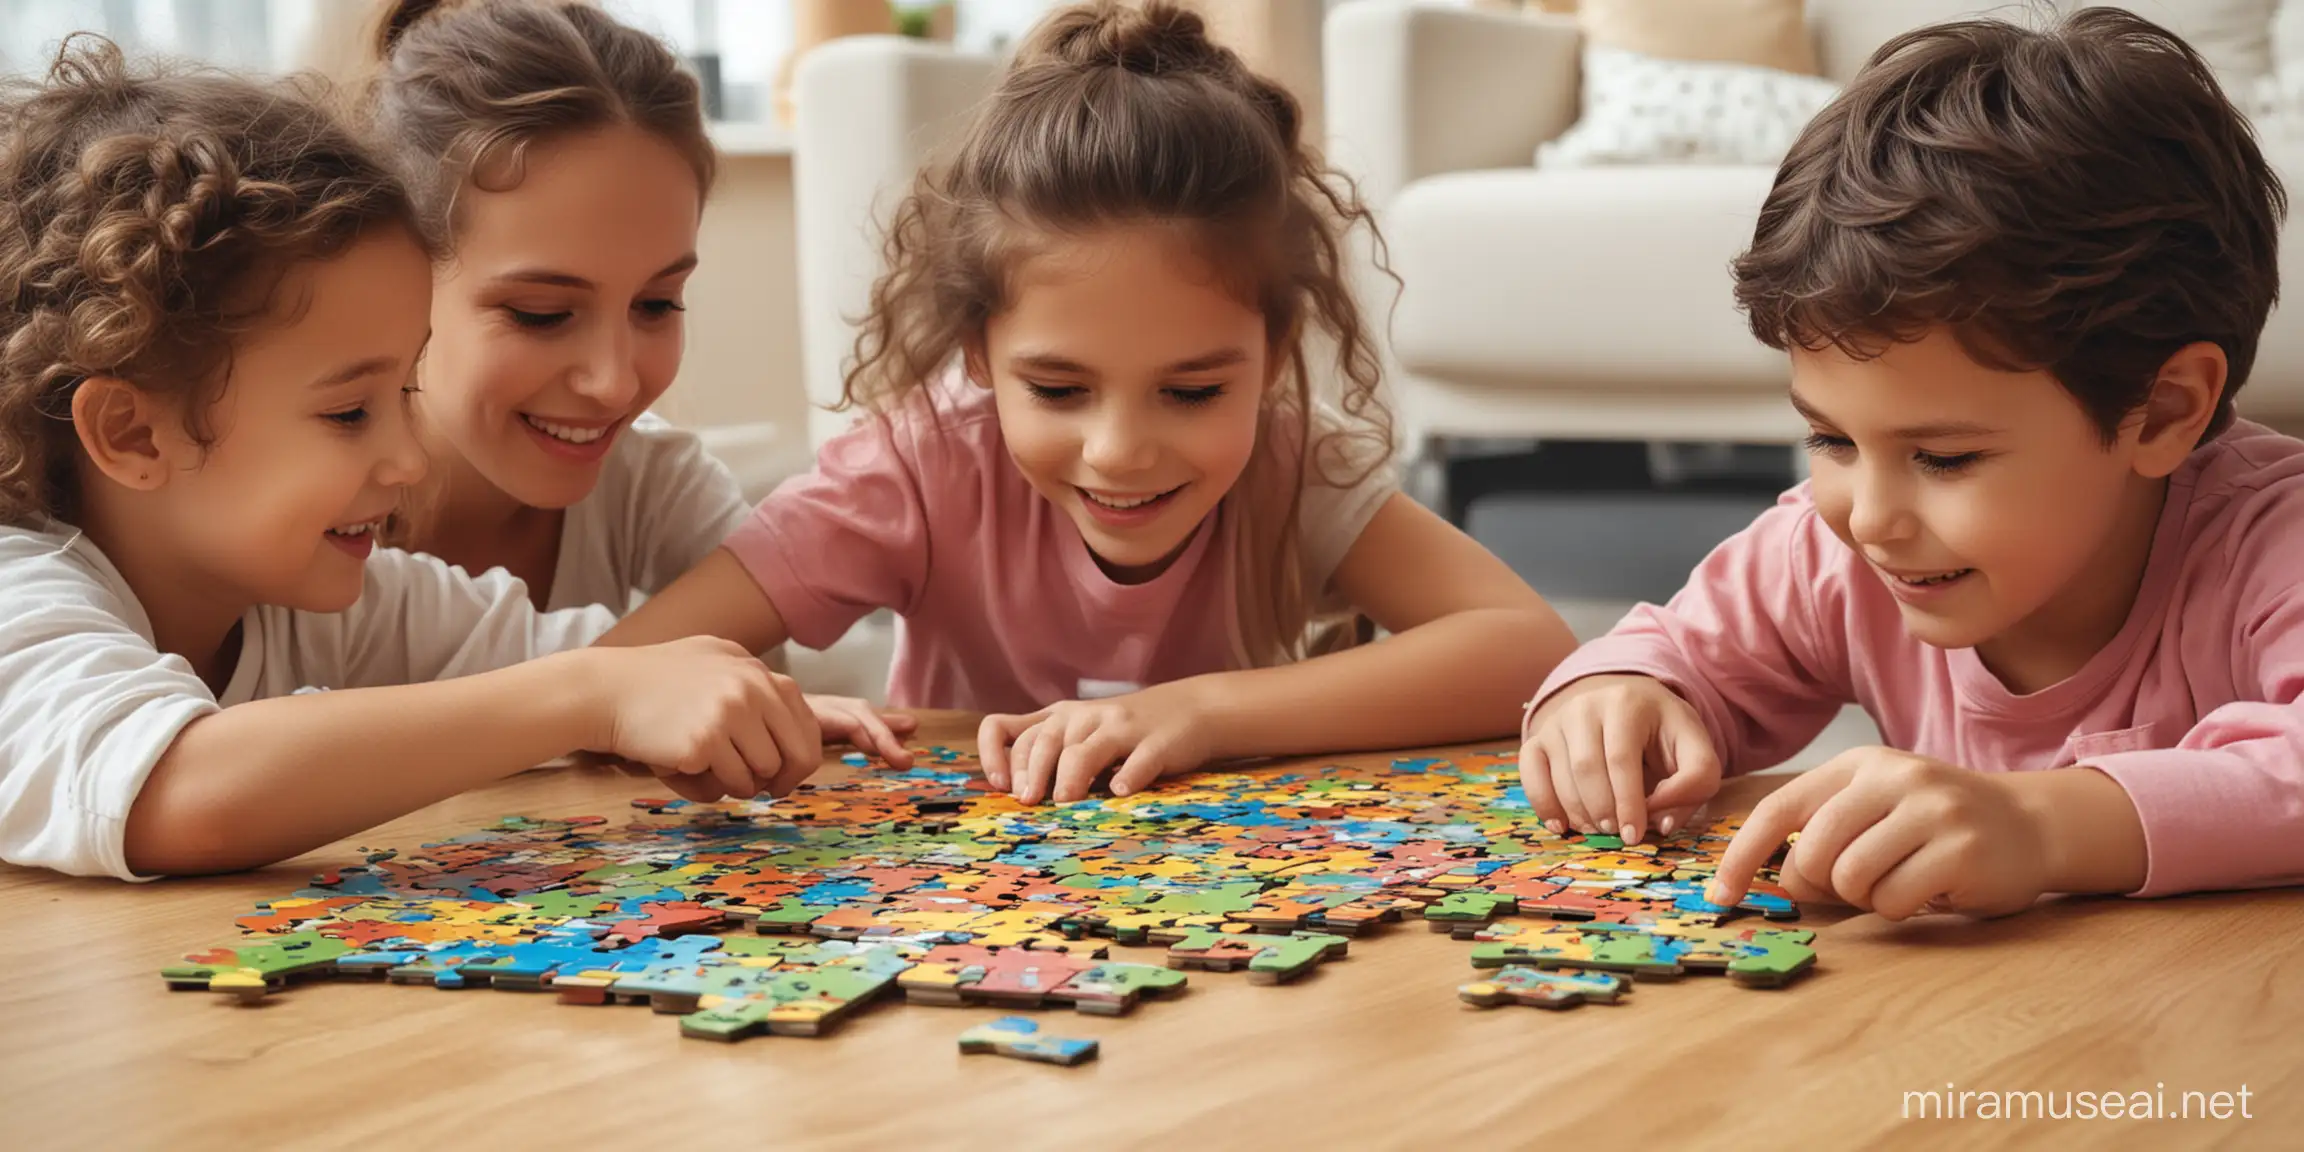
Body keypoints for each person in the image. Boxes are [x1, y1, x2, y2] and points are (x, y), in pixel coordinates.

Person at [605, 0, 1578, 805]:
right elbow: (620, 673)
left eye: (1193, 390)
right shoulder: (917, 464)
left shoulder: (1287, 463)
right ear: (977, 353)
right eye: (1058, 389)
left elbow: (1526, 648)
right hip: (950, 920)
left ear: (1276, 355)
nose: (1120, 450)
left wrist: (1202, 711)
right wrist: (744, 706)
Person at [1520, 8, 2304, 918]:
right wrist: (1616, 692)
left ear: (2163, 410)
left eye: (1943, 456)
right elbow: (1674, 652)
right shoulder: (1833, 556)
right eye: (1831, 441)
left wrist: (2043, 826)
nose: (1869, 516)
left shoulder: (2269, 538)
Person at [0, 40, 818, 879]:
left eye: (406, 395)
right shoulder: (16, 596)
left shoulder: (327, 601)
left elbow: (612, 665)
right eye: (350, 411)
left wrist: (720, 702)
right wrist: (594, 699)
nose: (408, 461)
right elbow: (176, 795)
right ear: (135, 434)